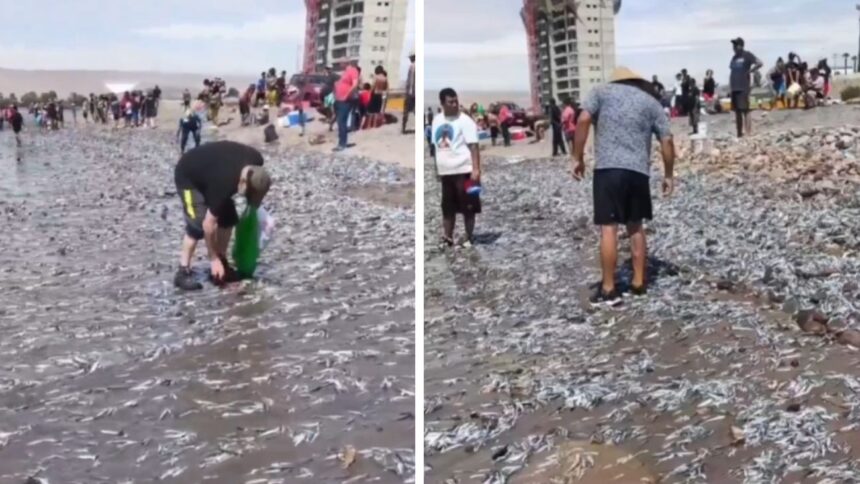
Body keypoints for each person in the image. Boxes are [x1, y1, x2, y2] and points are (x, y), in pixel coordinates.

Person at [572, 67, 675, 306]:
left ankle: (609, 287)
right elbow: (667, 140)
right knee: (635, 226)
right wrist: (669, 174)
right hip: (638, 172)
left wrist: (577, 157)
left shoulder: (601, 92)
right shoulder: (651, 103)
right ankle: (639, 283)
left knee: (608, 228)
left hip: (608, 170)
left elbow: (583, 120)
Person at [173, 141, 271, 290]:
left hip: (211, 171)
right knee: (197, 225)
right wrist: (212, 258)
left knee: (229, 218)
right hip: (188, 175)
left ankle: (222, 260)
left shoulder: (257, 161)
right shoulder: (224, 184)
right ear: (242, 182)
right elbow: (208, 225)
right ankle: (183, 270)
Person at [432, 88, 481, 248]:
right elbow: (436, 146)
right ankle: (447, 237)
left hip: (465, 170)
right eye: (450, 102)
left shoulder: (465, 120)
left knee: (469, 207)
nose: (454, 105)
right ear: (442, 103)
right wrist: (436, 169)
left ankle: (468, 236)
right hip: (446, 172)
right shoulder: (437, 120)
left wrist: (476, 169)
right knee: (447, 208)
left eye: (456, 101)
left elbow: (474, 146)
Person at [729, 37, 762, 137]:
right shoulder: (734, 58)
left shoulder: (747, 55)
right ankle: (739, 133)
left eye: (735, 45)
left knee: (746, 110)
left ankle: (748, 133)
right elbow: (732, 70)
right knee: (737, 111)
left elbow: (759, 63)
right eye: (733, 45)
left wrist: (751, 71)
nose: (733, 47)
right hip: (734, 88)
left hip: (743, 87)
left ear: (740, 46)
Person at [333, 62, 360, 152]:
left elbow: (355, 84)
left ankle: (342, 144)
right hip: (338, 100)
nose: (340, 62)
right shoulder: (344, 72)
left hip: (345, 100)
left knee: (341, 121)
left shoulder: (353, 70)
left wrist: (346, 95)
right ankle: (342, 142)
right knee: (340, 122)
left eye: (342, 60)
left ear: (347, 62)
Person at [403, 50, 416, 134]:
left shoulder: (412, 66)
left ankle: (403, 128)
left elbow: (410, 81)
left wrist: (408, 91)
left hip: (411, 92)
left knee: (406, 111)